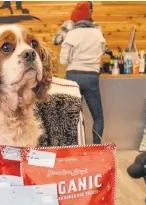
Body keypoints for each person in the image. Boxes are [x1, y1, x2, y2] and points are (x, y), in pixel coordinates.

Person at [60, 1, 106, 144]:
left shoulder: (71, 34)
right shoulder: (98, 34)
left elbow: (63, 60)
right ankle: (96, 148)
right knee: (98, 117)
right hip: (92, 77)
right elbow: (102, 51)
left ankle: (74, 148)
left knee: (72, 117)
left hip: (73, 77)